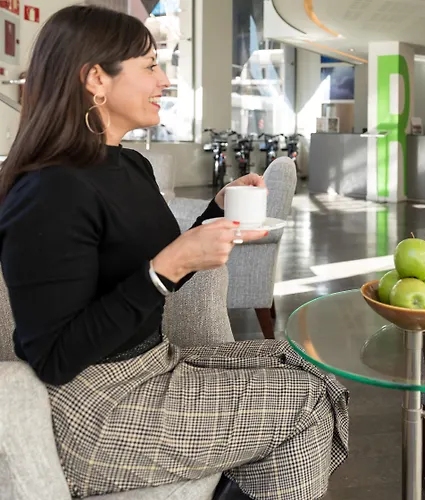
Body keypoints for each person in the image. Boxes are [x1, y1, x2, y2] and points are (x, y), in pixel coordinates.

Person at [0, 6, 348, 500]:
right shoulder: (49, 191)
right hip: (96, 406)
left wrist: (214, 215)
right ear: (96, 79)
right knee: (307, 400)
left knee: (307, 365)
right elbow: (54, 357)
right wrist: (168, 267)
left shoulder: (131, 165)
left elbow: (147, 261)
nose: (165, 81)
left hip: (154, 363)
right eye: (149, 66)